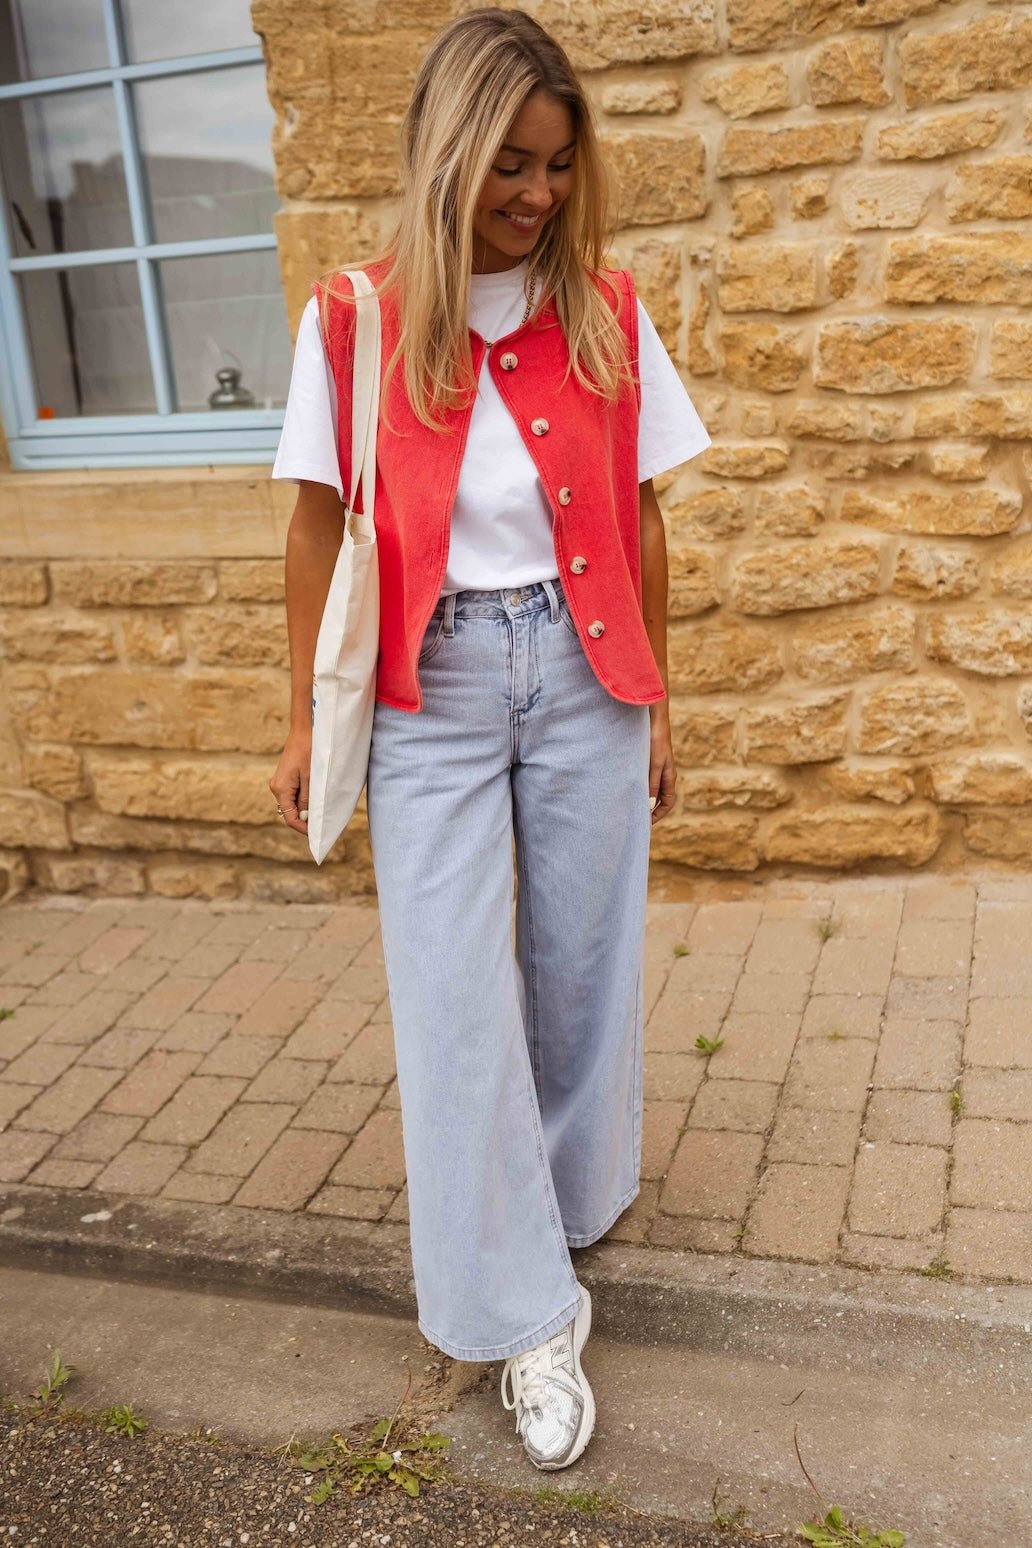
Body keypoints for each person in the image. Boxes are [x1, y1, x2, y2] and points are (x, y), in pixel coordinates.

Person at [269, 6, 710, 1471]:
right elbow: (316, 527)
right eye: (511, 164)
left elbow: (642, 515)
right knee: (455, 998)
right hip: (431, 690)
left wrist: (656, 698)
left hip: (587, 674)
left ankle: (567, 1204)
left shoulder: (607, 310)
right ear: (448, 155)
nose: (537, 193)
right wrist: (299, 718)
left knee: (583, 969)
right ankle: (524, 1314)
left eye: (559, 165)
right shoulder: (354, 321)